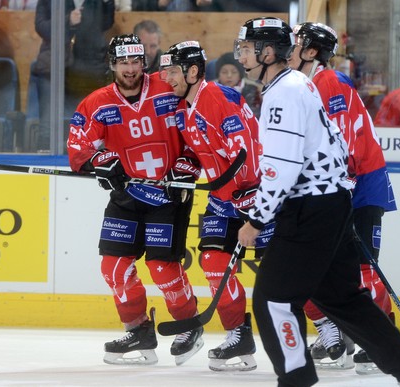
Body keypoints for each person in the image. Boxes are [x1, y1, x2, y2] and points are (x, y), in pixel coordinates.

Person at [234, 17, 400, 387]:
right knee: (342, 297)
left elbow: (282, 169)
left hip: (309, 210)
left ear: (268, 52)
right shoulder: (300, 84)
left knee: (273, 299)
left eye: (248, 48)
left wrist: (257, 219)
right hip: (332, 204)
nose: (242, 54)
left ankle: (297, 379)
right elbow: (330, 149)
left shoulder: (285, 92)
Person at [66, 34, 203, 367]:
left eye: (136, 61)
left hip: (167, 194)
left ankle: (188, 326)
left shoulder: (168, 87)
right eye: (123, 62)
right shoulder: (97, 103)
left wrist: (189, 162)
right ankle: (139, 330)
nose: (130, 69)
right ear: (112, 64)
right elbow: (77, 148)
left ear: (146, 62)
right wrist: (98, 162)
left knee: (161, 266)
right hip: (126, 196)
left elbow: (200, 125)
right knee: (113, 267)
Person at [289, 21, 398, 374]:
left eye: (294, 43)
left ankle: (384, 337)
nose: (286, 50)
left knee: (365, 269)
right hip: (338, 186)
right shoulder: (305, 84)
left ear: (309, 51)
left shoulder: (330, 82)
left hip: (360, 186)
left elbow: (343, 141)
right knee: (331, 269)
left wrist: (337, 189)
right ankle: (343, 332)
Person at [160, 40, 268, 372]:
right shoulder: (183, 109)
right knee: (212, 262)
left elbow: (246, 151)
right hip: (223, 200)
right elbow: (200, 151)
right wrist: (181, 171)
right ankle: (239, 334)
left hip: (261, 196)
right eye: (166, 72)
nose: (168, 79)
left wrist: (248, 197)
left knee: (285, 270)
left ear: (193, 71)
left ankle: (329, 328)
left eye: (174, 72)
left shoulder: (219, 98)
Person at [32, 0, 114, 151]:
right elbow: (41, 27)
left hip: (88, 66)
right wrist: (67, 20)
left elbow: (106, 23)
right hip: (53, 65)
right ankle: (44, 159)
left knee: (89, 122)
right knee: (47, 124)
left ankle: (87, 160)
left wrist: (108, 3)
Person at [214, 51, 262, 118]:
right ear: (218, 75)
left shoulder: (253, 91)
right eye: (224, 72)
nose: (229, 75)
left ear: (240, 75)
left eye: (234, 72)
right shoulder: (211, 91)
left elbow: (254, 118)